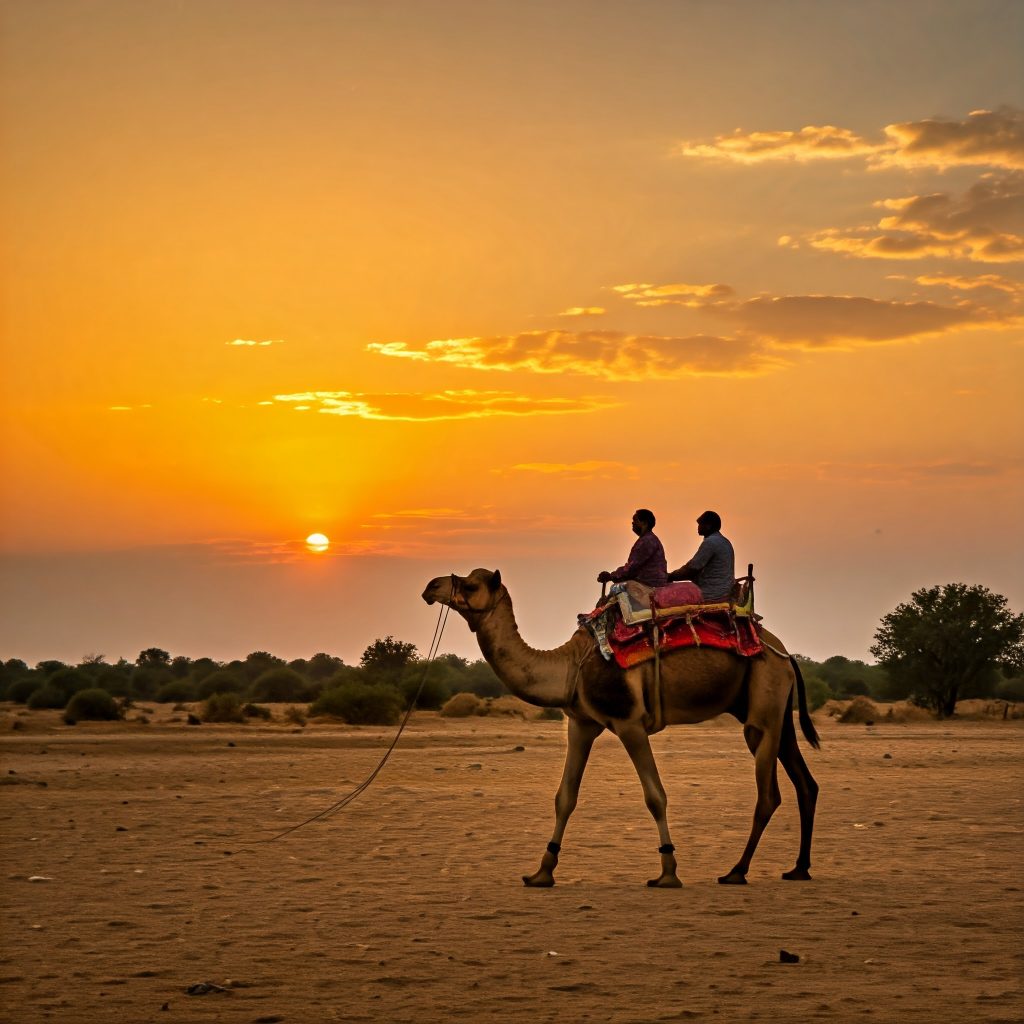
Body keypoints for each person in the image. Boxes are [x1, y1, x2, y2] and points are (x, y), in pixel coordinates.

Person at [667, 510, 735, 602]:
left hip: (711, 593)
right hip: (723, 591)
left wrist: (670, 576)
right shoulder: (724, 541)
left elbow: (692, 568)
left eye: (700, 524)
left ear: (708, 526)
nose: (698, 527)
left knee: (666, 595)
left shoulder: (711, 542)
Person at [597, 509, 668, 589]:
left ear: (644, 523)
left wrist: (611, 576)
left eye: (635, 520)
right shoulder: (649, 539)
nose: (633, 523)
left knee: (616, 591)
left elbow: (632, 568)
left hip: (649, 585)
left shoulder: (646, 541)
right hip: (652, 583)